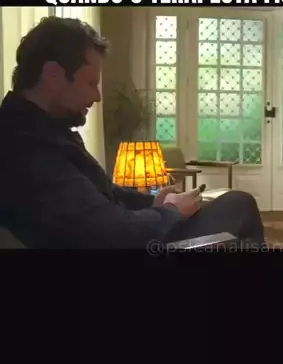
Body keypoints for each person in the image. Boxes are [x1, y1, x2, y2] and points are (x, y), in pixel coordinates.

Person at [0, 16, 265, 249]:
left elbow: (103, 194)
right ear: (53, 75)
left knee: (233, 204)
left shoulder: (45, 129)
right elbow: (109, 231)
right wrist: (172, 211)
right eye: (90, 82)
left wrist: (153, 202)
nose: (97, 96)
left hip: (126, 235)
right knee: (239, 206)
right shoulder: (24, 147)